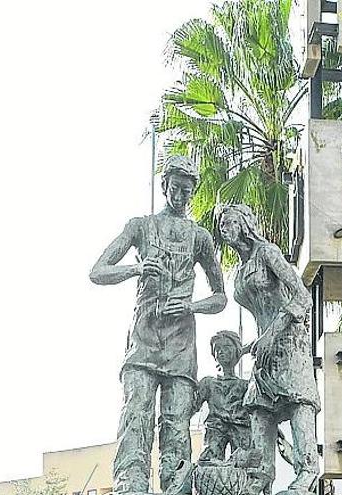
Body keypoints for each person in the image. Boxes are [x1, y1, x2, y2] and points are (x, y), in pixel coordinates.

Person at [89, 155, 227, 495]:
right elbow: (98, 271)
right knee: (136, 416)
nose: (180, 196)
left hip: (181, 343)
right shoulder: (140, 226)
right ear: (164, 186)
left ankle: (176, 486)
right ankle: (130, 486)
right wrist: (135, 269)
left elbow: (221, 296)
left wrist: (192, 306)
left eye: (187, 191)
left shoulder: (199, 237)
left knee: (177, 425)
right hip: (144, 338)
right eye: (176, 188)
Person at [216, 204, 320, 495]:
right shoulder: (240, 269)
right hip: (264, 352)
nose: (223, 229)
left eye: (229, 223)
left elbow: (302, 297)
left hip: (289, 342)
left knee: (299, 403)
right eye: (222, 224)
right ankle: (260, 476)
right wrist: (249, 345)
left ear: (245, 224)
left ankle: (307, 472)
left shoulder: (268, 253)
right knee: (259, 410)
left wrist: (272, 334)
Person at [192, 330, 252, 463]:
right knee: (209, 462)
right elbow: (192, 407)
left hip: (241, 429)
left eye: (226, 347)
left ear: (236, 351)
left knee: (244, 464)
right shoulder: (208, 383)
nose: (221, 351)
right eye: (217, 348)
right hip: (216, 429)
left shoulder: (245, 385)